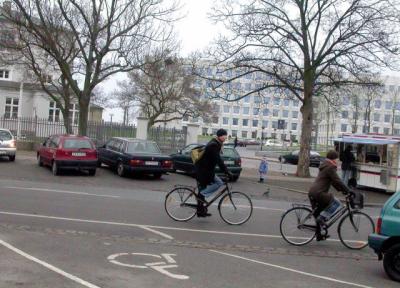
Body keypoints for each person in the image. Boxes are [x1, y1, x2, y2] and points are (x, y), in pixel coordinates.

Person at [308, 150, 351, 241]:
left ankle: (319, 235)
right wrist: (348, 190)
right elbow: (337, 180)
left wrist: (343, 191)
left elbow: (334, 183)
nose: (338, 161)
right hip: (319, 193)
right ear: (334, 159)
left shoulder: (325, 165)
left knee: (318, 214)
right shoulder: (330, 167)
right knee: (337, 203)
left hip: (313, 192)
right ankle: (322, 218)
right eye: (337, 159)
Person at [195, 129, 233, 217]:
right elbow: (218, 161)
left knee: (204, 188)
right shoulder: (214, 145)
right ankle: (203, 195)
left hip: (205, 170)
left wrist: (225, 170)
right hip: (203, 171)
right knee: (219, 183)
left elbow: (216, 160)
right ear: (220, 136)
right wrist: (227, 172)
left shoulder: (215, 143)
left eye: (226, 135)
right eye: (224, 135)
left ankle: (201, 211)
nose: (225, 137)